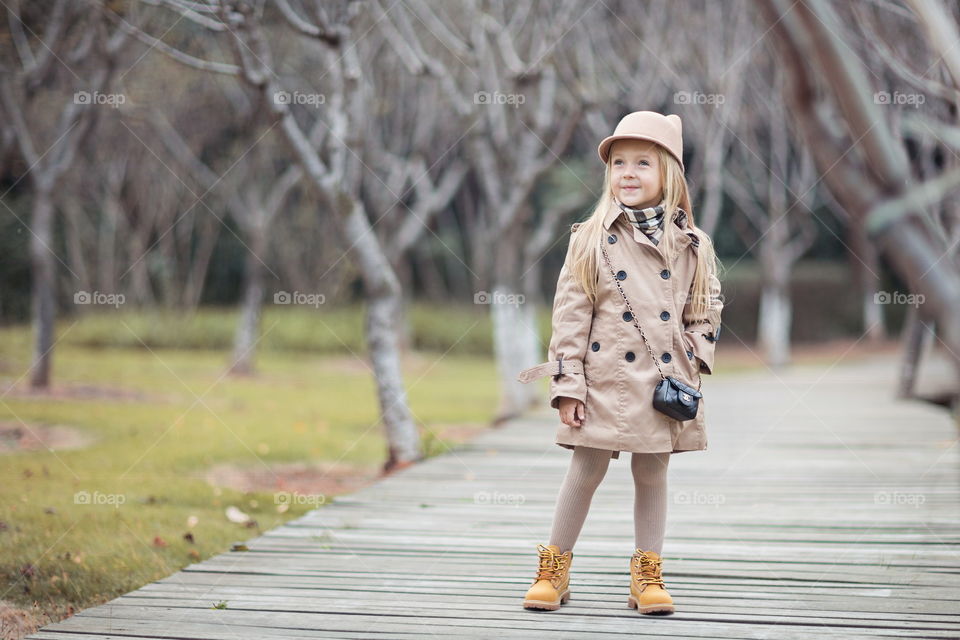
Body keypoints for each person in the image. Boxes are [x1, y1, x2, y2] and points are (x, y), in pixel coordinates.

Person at [516, 110, 723, 616]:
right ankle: (555, 568)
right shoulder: (589, 238)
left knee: (652, 474)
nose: (628, 173)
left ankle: (647, 575)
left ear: (668, 173)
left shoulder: (692, 244)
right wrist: (567, 386)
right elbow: (569, 317)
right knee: (584, 470)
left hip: (662, 385)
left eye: (643, 163)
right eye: (619, 163)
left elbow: (707, 306)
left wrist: (695, 351)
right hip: (603, 381)